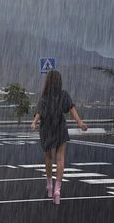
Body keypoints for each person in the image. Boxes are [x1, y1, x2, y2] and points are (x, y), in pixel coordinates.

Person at [31, 70, 88, 205]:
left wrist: (34, 123)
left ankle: (49, 186)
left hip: (47, 128)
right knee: (60, 157)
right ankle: (58, 190)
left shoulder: (45, 96)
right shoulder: (64, 95)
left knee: (48, 157)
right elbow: (71, 108)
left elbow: (39, 112)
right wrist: (79, 122)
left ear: (48, 82)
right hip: (60, 127)